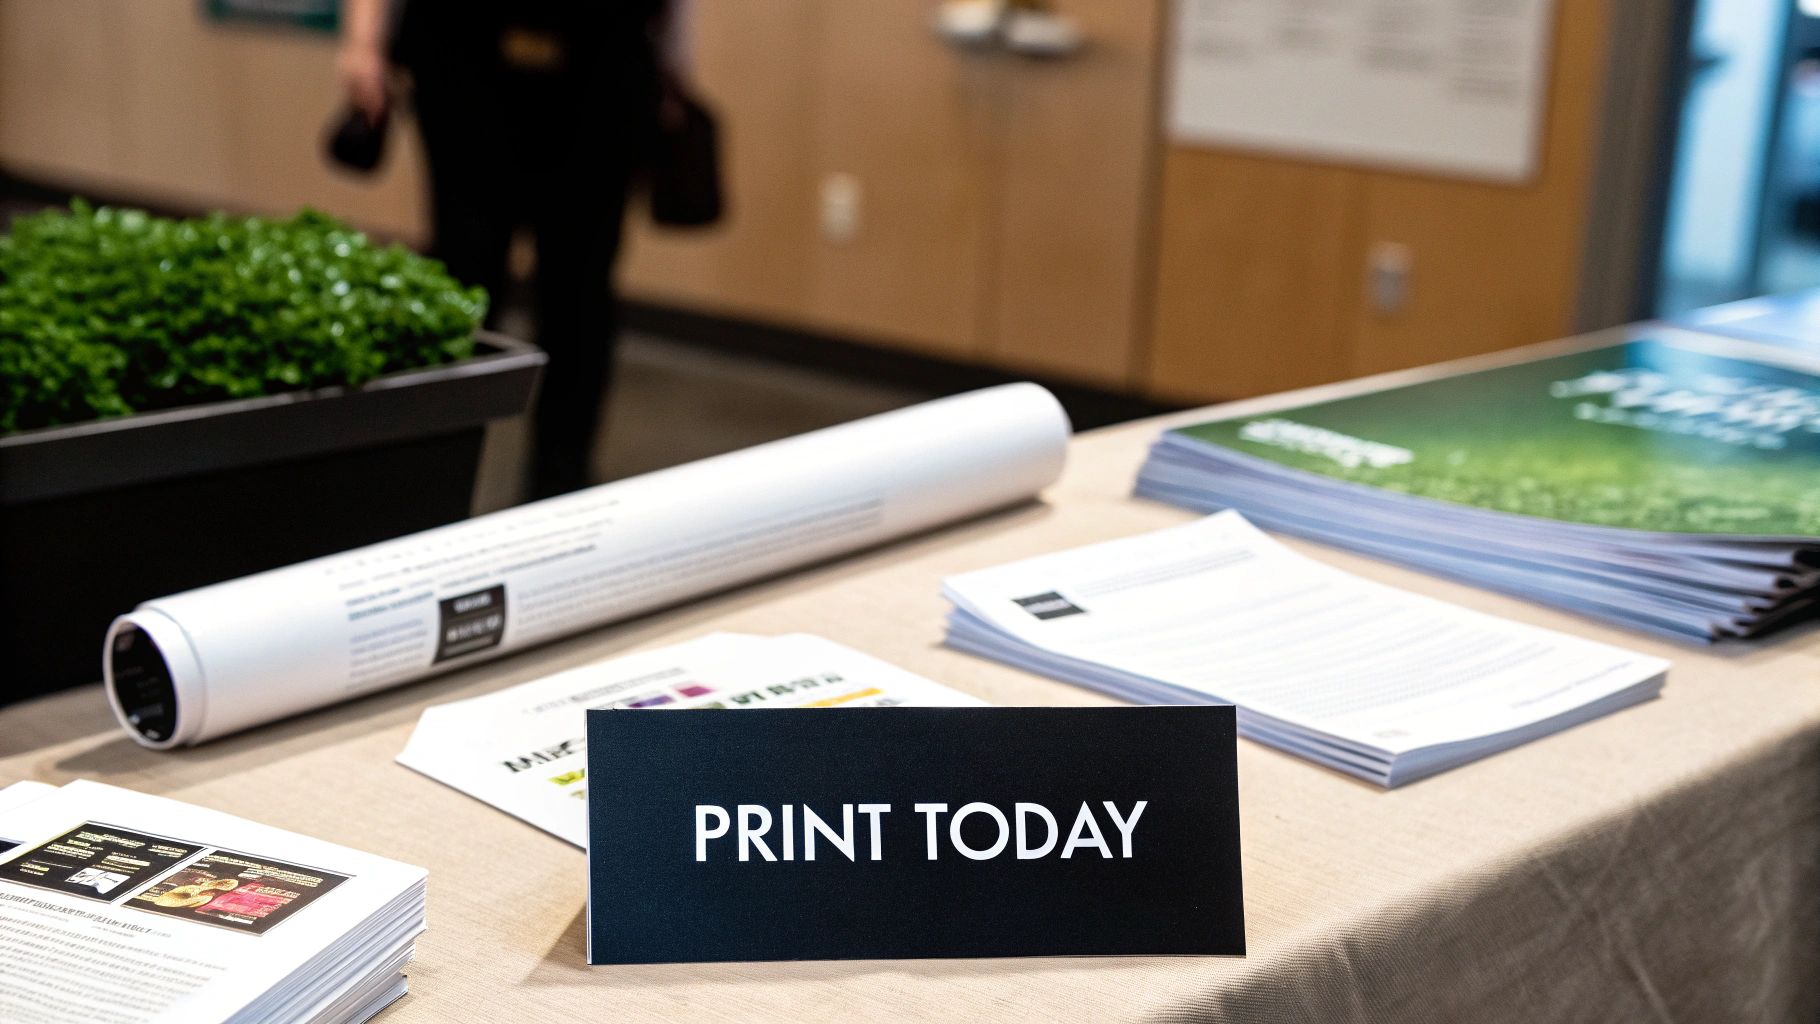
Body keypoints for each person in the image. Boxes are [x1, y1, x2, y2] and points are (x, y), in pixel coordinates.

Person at [338, 0, 684, 498]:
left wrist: (674, 63)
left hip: (600, 62)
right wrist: (363, 40)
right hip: (465, 56)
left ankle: (561, 485)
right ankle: (435, 476)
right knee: (465, 276)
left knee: (579, 289)